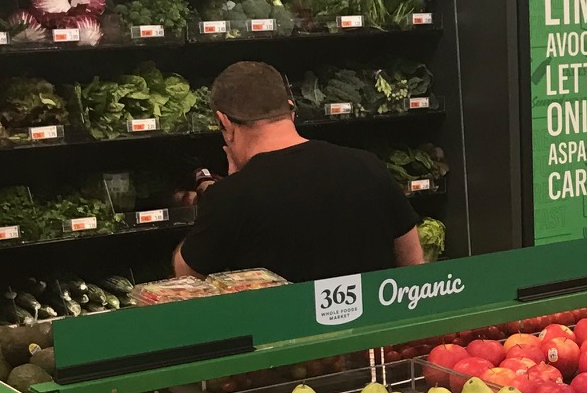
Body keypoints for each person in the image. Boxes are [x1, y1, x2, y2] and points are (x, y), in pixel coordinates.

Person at [175, 60, 424, 284]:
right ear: (291, 110)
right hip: (372, 331)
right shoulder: (370, 166)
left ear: (225, 123)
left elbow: (186, 277)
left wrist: (220, 192)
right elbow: (414, 267)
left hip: (278, 333)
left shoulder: (231, 196)